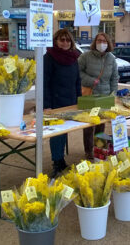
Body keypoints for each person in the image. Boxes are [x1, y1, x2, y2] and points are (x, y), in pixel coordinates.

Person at [43, 29, 81, 177]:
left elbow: (77, 81)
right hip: (55, 102)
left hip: (70, 102)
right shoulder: (49, 58)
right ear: (56, 41)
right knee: (57, 133)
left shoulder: (74, 58)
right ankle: (57, 162)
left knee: (64, 132)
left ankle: (61, 160)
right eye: (62, 40)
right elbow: (44, 83)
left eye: (67, 40)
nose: (65, 42)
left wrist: (79, 101)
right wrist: (46, 105)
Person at [78, 32, 120, 160]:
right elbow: (77, 72)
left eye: (104, 41)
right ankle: (88, 151)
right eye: (99, 40)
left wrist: (113, 95)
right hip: (90, 96)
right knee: (89, 125)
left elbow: (114, 78)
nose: (101, 43)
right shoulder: (85, 56)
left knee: (101, 124)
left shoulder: (111, 58)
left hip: (105, 97)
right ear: (95, 42)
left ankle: (98, 149)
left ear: (108, 43)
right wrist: (90, 80)